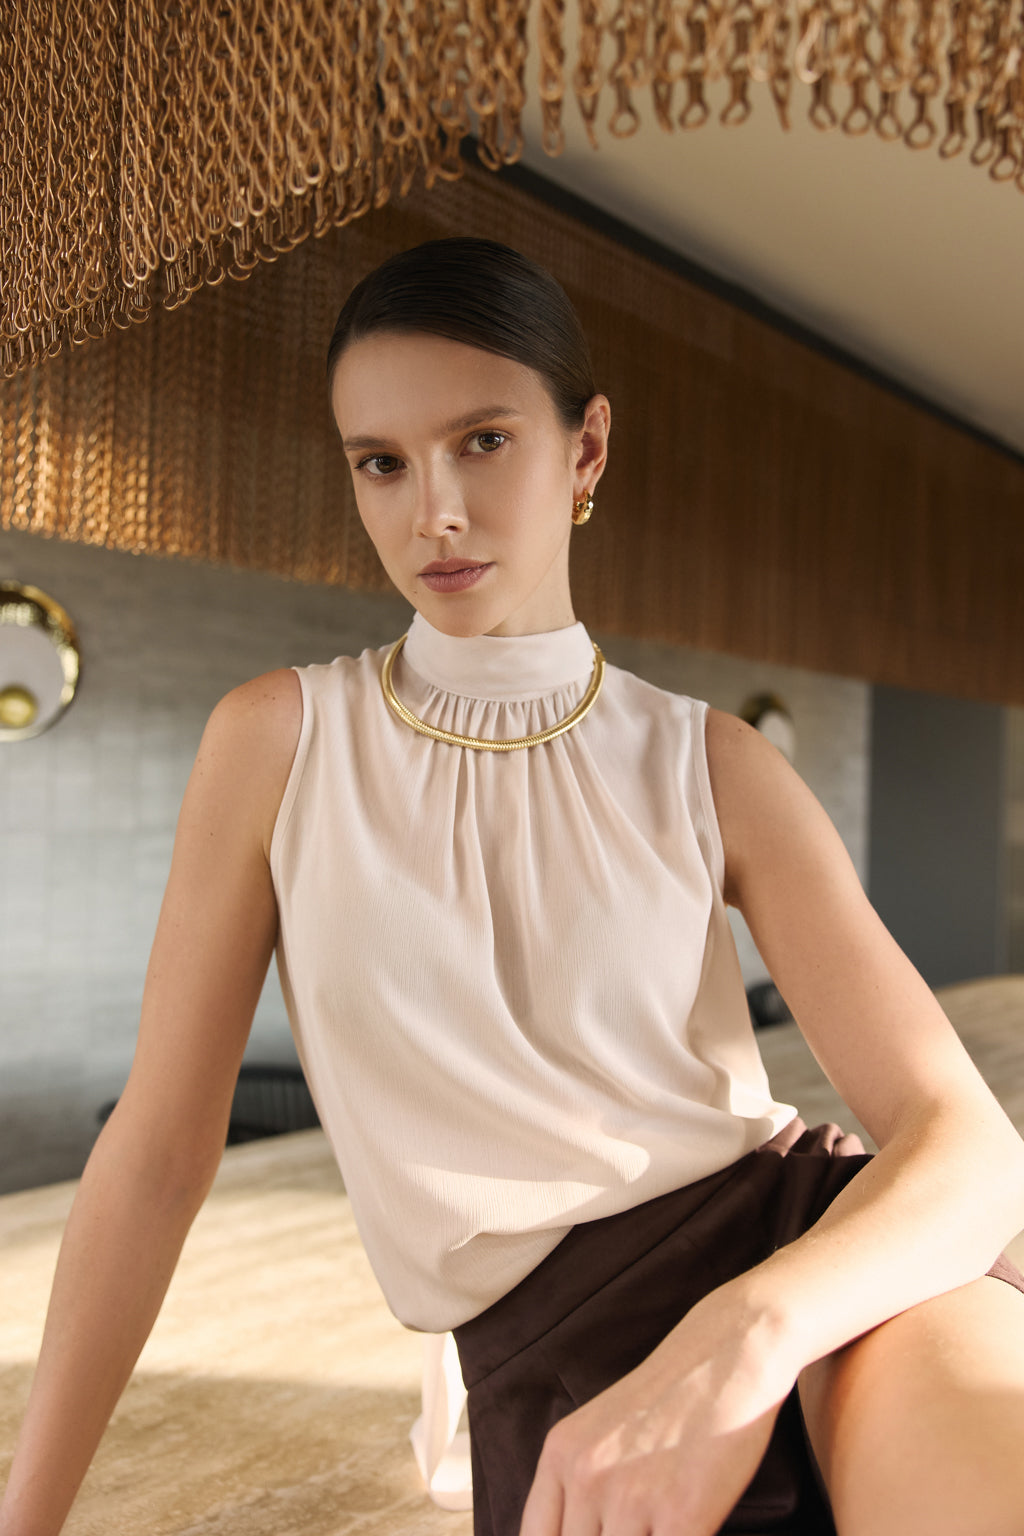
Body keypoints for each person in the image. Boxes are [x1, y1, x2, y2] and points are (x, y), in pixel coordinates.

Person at [2, 236, 1024, 1536]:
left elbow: (971, 1146)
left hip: (814, 1276)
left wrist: (745, 1335)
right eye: (382, 461)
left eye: (482, 441)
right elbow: (154, 1160)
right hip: (553, 1363)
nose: (433, 511)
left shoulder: (713, 764)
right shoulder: (276, 743)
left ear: (585, 450)